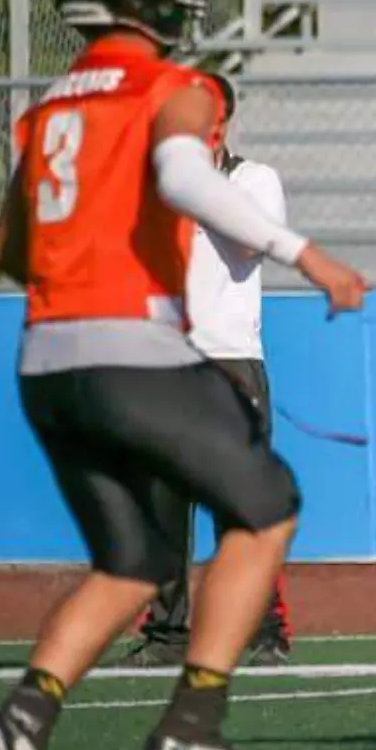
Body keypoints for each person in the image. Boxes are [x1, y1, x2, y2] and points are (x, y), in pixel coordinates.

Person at [0, 0, 367, 750]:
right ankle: (193, 724)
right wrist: (308, 255)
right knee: (268, 505)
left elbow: (7, 250)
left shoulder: (46, 111)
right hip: (129, 348)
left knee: (135, 562)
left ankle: (22, 717)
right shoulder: (167, 90)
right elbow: (187, 176)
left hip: (45, 361)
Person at [127, 74, 295, 668]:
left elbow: (253, 245)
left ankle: (263, 630)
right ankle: (168, 634)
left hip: (231, 362)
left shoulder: (254, 180)